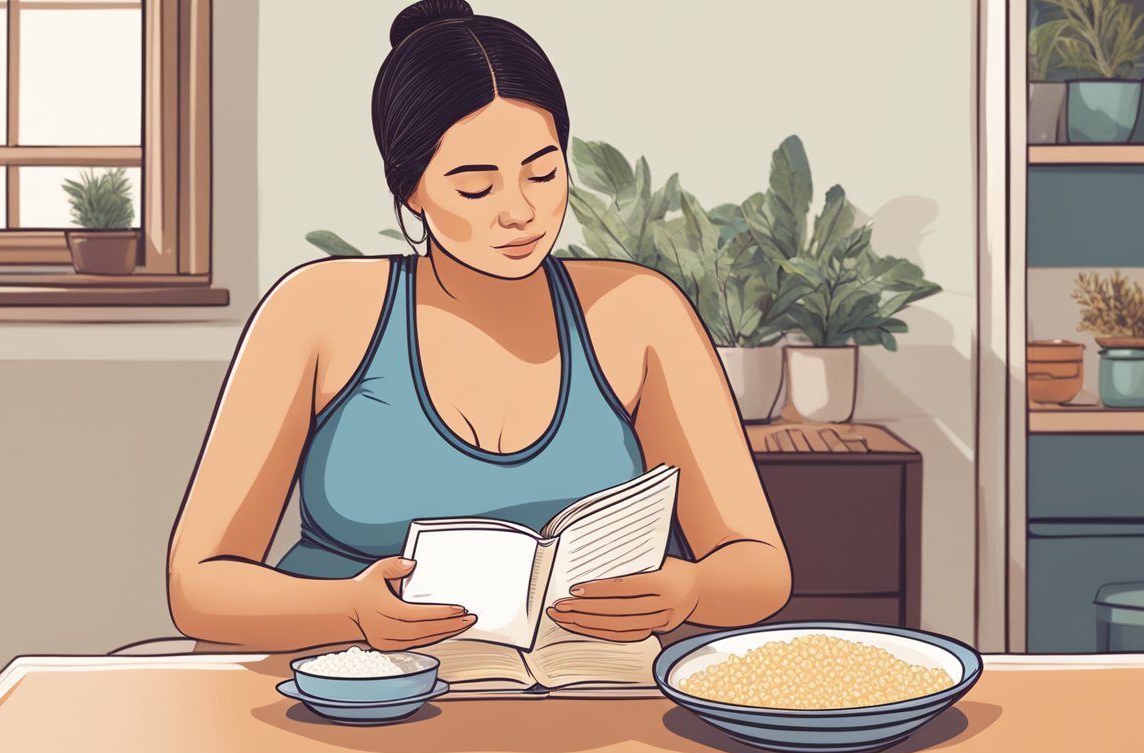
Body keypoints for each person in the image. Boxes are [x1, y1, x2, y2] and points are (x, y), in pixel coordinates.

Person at [167, 0, 791, 654]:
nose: (521, 211)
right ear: (411, 189)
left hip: (575, 699)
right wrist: (350, 609)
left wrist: (688, 590)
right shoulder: (318, 311)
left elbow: (759, 566)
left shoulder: (639, 313)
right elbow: (198, 584)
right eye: (475, 187)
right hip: (346, 698)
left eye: (544, 173)